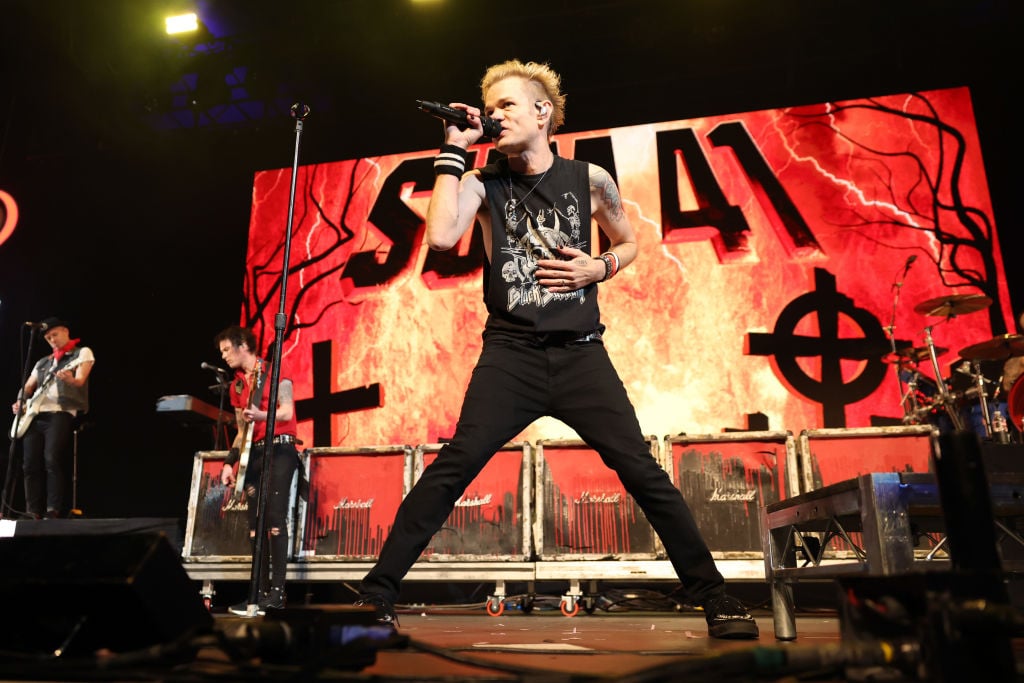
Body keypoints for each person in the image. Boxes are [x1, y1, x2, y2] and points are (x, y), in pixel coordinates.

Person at [353, 59, 759, 639]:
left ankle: (716, 597)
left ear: (542, 113)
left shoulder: (589, 179)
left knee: (642, 471)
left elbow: (629, 241)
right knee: (455, 466)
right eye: (489, 108)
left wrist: (601, 266)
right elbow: (442, 236)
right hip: (511, 354)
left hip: (581, 354)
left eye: (507, 106)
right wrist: (453, 150)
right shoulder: (479, 181)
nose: (495, 116)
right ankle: (377, 593)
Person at [214, 325, 300, 615]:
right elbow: (241, 431)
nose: (224, 356)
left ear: (243, 346)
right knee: (255, 526)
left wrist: (262, 415)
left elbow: (287, 411)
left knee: (275, 518)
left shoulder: (275, 370)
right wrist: (229, 462)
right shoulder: (237, 385)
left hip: (281, 448)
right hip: (255, 454)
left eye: (227, 349)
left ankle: (277, 594)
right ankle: (257, 594)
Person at [10, 317, 94, 519]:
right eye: (48, 338)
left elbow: (81, 380)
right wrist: (20, 401)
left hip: (60, 412)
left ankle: (52, 510)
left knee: (51, 459)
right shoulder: (43, 362)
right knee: (29, 464)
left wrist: (70, 379)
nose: (52, 339)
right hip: (36, 414)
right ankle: (32, 511)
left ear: (65, 330)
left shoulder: (81, 353)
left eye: (55, 334)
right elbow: (28, 386)